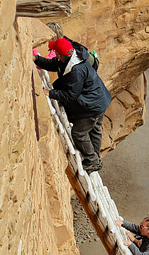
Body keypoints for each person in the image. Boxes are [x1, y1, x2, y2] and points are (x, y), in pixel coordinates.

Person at [34, 36, 112, 173]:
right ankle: (96, 159)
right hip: (101, 99)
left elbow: (71, 96)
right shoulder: (73, 56)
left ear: (59, 54)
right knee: (95, 130)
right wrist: (37, 59)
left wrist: (50, 93)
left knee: (79, 133)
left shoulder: (75, 70)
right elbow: (54, 64)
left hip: (93, 105)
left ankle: (92, 161)